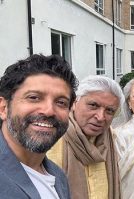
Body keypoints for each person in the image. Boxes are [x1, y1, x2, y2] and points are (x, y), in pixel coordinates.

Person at [0, 54, 78, 198]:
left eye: (61, 102)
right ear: (3, 108)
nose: (49, 111)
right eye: (34, 98)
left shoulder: (58, 176)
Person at [47, 75, 123, 199]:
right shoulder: (51, 139)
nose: (100, 117)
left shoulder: (113, 139)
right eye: (93, 105)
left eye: (109, 111)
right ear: (75, 102)